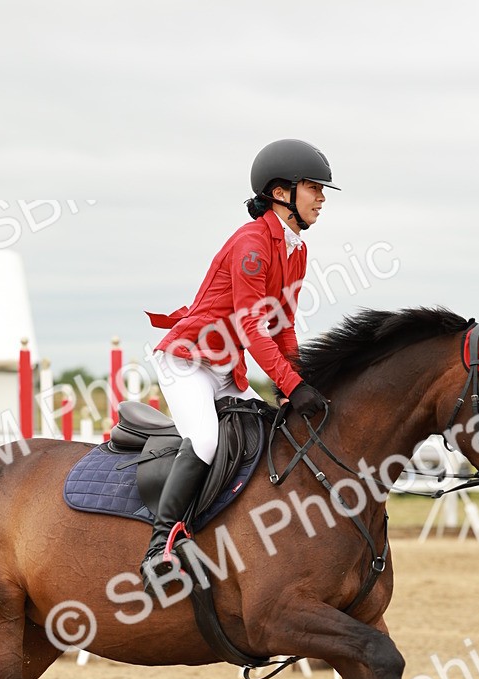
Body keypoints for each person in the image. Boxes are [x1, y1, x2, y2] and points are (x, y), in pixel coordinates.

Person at [141, 138, 339, 595]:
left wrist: (296, 382)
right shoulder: (252, 244)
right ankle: (160, 547)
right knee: (206, 441)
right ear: (281, 193)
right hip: (186, 360)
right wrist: (291, 384)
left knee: (269, 435)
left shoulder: (296, 251)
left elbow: (283, 326)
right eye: (314, 188)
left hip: (226, 370)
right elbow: (253, 328)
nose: (322, 198)